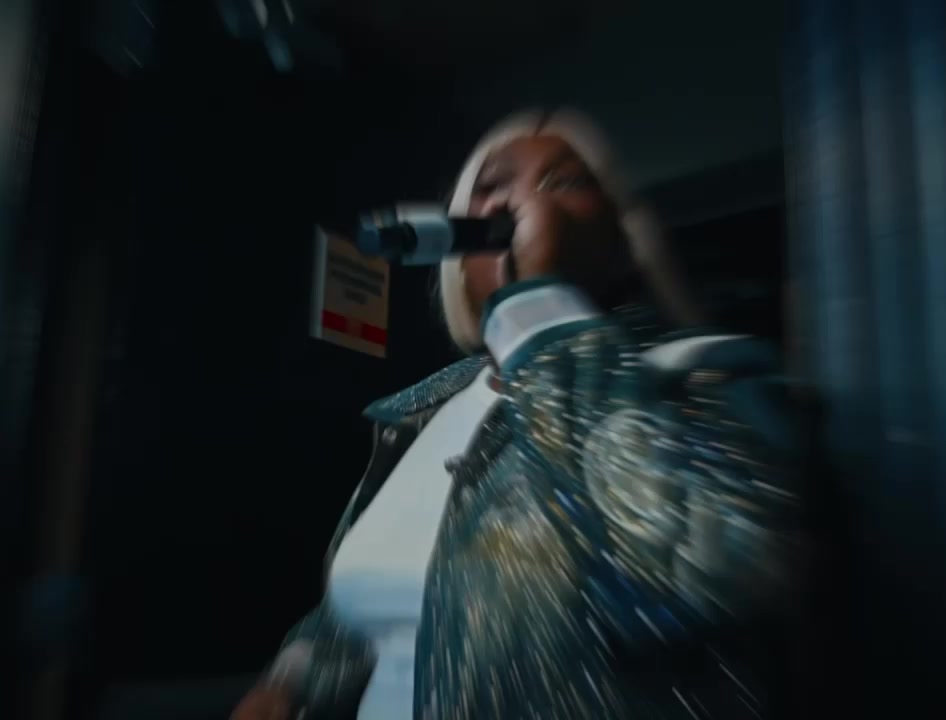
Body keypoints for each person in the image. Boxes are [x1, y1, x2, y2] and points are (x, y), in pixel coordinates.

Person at [233, 109, 804, 720]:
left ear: (623, 242)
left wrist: (544, 316)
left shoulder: (706, 375)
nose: (518, 206)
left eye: (562, 183)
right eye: (490, 189)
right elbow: (363, 609)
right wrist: (293, 680)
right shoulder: (419, 416)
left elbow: (715, 568)